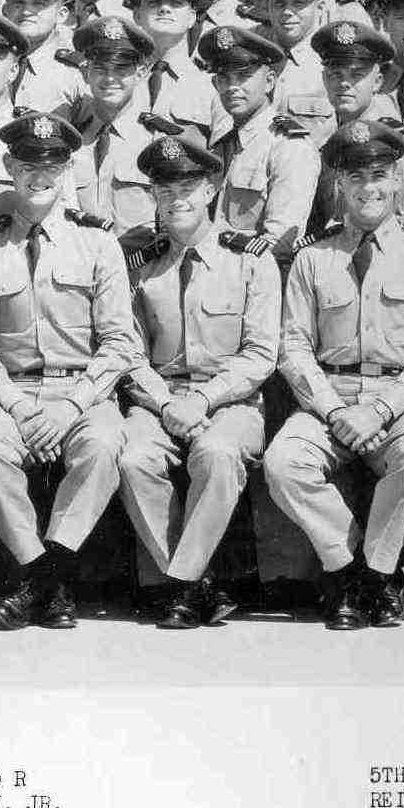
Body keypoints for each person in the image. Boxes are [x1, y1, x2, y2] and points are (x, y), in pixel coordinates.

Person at [265, 121, 404, 630]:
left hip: (402, 402)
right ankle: (348, 566)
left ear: (397, 182)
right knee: (283, 462)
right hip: (330, 399)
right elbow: (294, 347)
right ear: (338, 186)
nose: (368, 187)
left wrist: (381, 409)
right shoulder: (312, 258)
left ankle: (374, 575)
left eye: (379, 175)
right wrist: (334, 409)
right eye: (356, 176)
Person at [0, 111, 137, 630]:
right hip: (10, 393)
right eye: (28, 165)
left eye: (53, 166)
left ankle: (41, 580)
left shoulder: (98, 244)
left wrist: (70, 406)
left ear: (67, 171)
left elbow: (119, 343)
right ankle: (45, 576)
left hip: (82, 393)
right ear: (10, 168)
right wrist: (17, 404)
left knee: (104, 448)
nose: (40, 176)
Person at [111, 131, 281, 629]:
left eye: (186, 188)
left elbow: (260, 353)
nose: (175, 200)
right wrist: (167, 405)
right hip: (159, 400)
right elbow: (129, 351)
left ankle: (180, 585)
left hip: (231, 401)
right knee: (133, 458)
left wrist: (203, 399)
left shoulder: (251, 259)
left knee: (219, 454)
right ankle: (198, 582)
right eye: (164, 191)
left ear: (210, 190)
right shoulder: (141, 266)